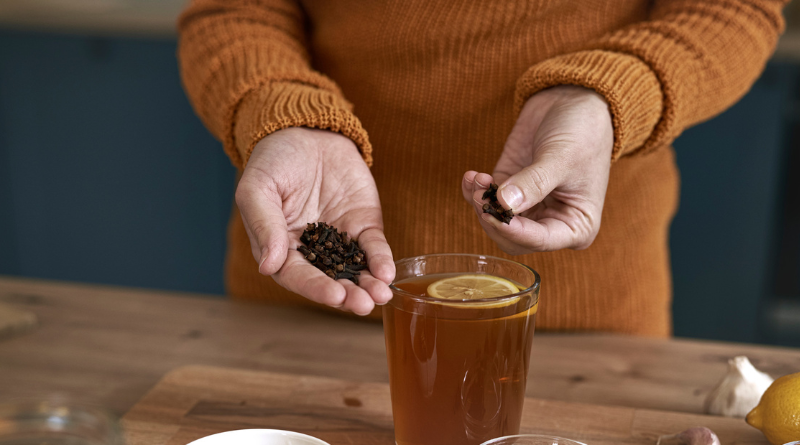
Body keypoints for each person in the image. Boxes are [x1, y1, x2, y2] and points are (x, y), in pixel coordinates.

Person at [177, 0, 788, 336]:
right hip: (307, 285)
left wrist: (607, 95)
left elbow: (733, 9)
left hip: (577, 317)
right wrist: (284, 113)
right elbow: (233, 10)